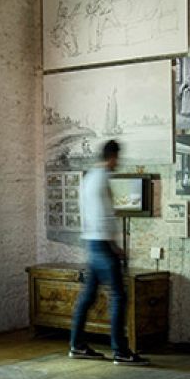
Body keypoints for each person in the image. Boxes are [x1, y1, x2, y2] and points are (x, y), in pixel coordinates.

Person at [69, 140, 148, 366]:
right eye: (118, 158)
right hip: (102, 245)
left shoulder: (89, 178)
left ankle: (77, 345)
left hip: (90, 243)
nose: (118, 163)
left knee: (88, 297)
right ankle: (120, 351)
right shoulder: (103, 178)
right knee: (118, 296)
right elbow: (105, 216)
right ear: (112, 156)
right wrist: (115, 247)